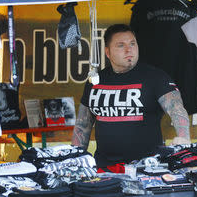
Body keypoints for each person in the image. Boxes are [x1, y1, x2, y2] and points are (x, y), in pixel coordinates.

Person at [72, 24, 190, 170]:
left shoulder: (156, 77)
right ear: (107, 52)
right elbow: (83, 125)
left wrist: (184, 138)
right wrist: (74, 158)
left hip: (147, 168)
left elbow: (177, 109)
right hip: (104, 169)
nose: (129, 50)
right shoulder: (95, 81)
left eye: (132, 44)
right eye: (121, 45)